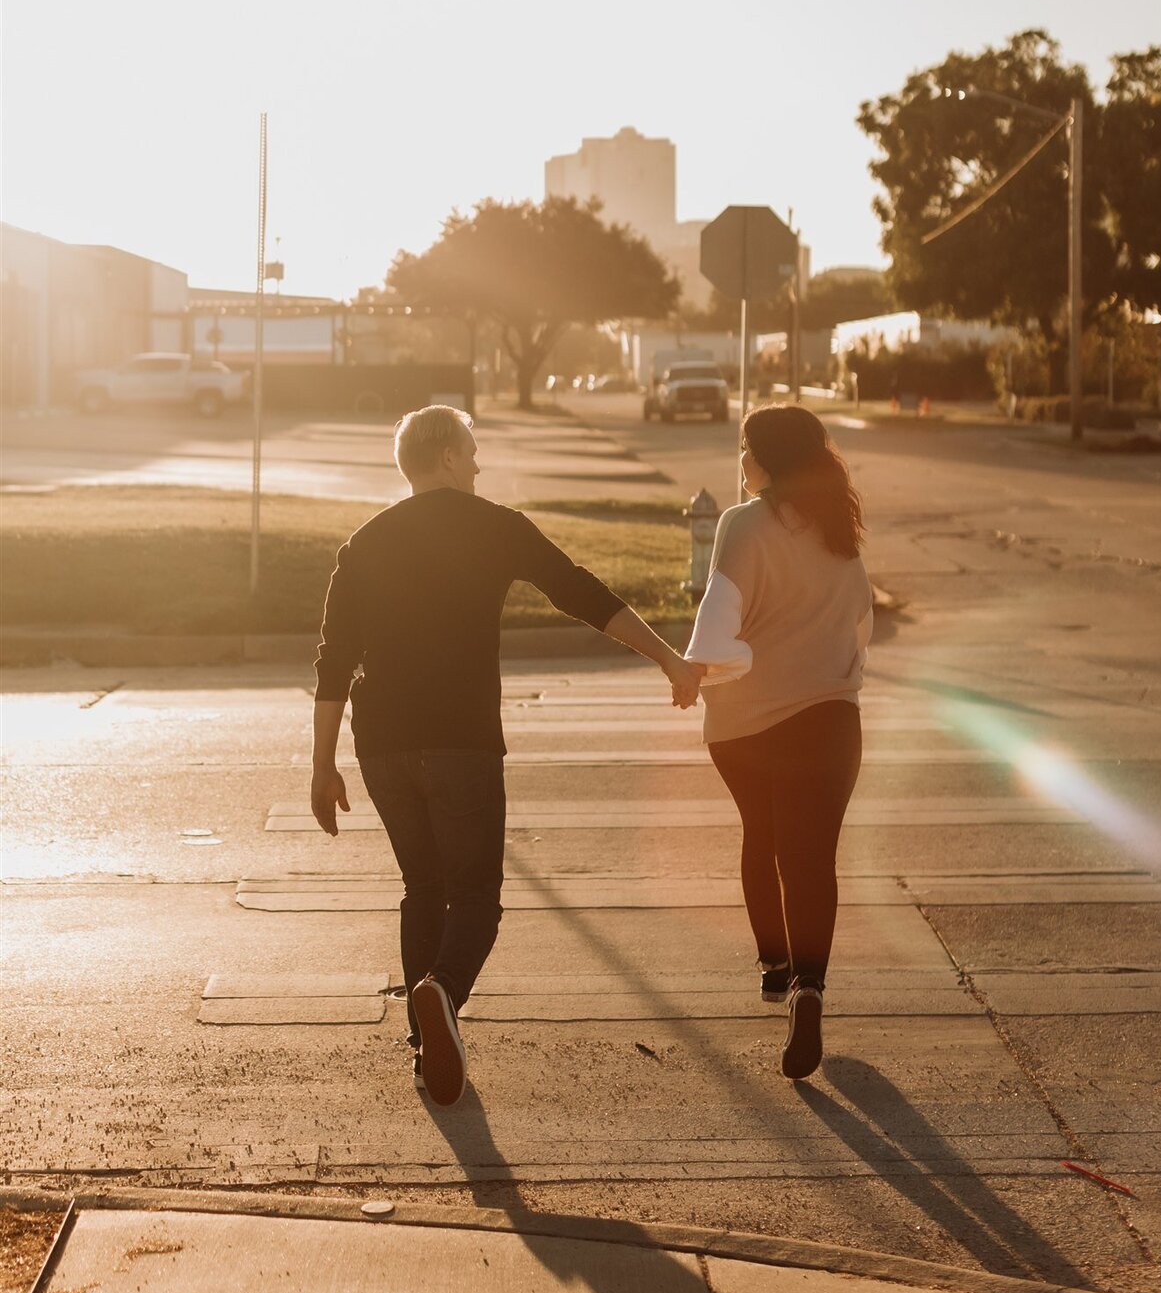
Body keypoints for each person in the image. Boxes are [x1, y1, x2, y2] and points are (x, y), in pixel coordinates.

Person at [310, 404, 702, 1107]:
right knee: (479, 896)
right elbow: (580, 592)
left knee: (423, 888)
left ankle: (427, 1047)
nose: (480, 463)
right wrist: (669, 658)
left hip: (381, 745)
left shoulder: (364, 542)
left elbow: (333, 661)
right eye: (473, 449)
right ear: (450, 458)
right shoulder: (494, 526)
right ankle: (442, 994)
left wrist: (321, 764)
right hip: (460, 740)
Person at [685, 404, 872, 1080]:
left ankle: (775, 967)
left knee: (760, 835)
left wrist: (698, 671)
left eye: (744, 448)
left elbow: (719, 618)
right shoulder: (837, 526)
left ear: (766, 457)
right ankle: (810, 988)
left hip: (747, 722)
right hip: (830, 720)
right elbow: (860, 623)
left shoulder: (742, 523)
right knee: (813, 858)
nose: (740, 462)